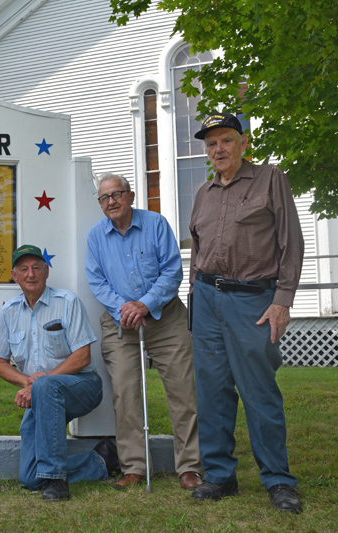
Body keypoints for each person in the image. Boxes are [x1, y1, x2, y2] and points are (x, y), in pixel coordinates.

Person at [190, 113, 304, 513]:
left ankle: (278, 479)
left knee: (259, 391)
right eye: (211, 144)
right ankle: (220, 476)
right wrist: (194, 304)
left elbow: (292, 243)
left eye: (225, 141)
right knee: (212, 392)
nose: (217, 149)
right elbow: (198, 252)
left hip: (254, 301)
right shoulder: (203, 192)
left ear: (244, 143)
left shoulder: (271, 179)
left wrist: (282, 300)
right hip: (206, 300)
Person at [86, 174, 203, 490]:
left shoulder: (156, 223)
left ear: (131, 195)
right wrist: (125, 308)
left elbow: (172, 270)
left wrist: (144, 304)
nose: (111, 201)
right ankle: (134, 466)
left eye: (117, 194)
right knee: (126, 394)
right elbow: (96, 281)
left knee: (182, 390)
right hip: (120, 322)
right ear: (100, 203)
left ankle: (190, 466)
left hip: (165, 318)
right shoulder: (96, 236)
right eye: (104, 197)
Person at [0, 245, 119, 501]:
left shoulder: (67, 302)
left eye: (36, 267)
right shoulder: (8, 312)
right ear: (15, 276)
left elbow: (82, 356)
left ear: (46, 271)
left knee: (45, 387)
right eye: (24, 269)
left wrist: (40, 382)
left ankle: (57, 481)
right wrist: (27, 381)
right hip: (40, 393)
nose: (31, 274)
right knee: (30, 477)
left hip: (84, 386)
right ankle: (102, 459)